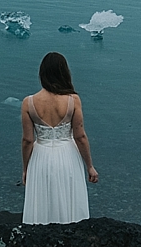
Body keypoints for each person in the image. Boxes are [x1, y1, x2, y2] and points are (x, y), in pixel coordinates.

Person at [21, 52, 99, 224]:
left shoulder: (29, 102)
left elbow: (27, 140)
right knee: (70, 199)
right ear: (64, 73)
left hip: (40, 157)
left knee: (42, 202)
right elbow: (80, 136)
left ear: (42, 74)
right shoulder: (73, 100)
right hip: (68, 156)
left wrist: (26, 169)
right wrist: (90, 166)